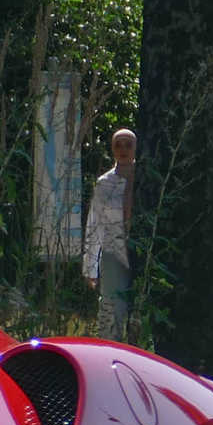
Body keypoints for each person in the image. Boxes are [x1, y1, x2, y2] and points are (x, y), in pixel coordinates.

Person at [83, 128, 136, 336]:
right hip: (113, 251)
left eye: (128, 145)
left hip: (141, 252)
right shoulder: (104, 184)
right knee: (113, 308)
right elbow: (95, 223)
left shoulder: (147, 179)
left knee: (140, 312)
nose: (123, 150)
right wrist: (90, 266)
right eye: (118, 145)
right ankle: (111, 349)